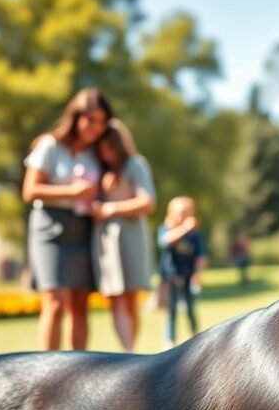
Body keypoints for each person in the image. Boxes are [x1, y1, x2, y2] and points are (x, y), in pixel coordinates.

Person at [22, 88, 112, 351]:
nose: (96, 128)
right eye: (91, 120)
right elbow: (29, 191)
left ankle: (78, 373)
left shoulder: (97, 154)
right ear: (76, 117)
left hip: (83, 228)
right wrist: (70, 192)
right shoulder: (50, 145)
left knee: (80, 304)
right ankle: (46, 373)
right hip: (49, 226)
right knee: (55, 301)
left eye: (102, 122)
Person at [91, 119, 156, 352]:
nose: (103, 152)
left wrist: (111, 208)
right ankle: (128, 351)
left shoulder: (135, 165)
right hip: (107, 240)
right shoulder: (100, 170)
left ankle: (131, 350)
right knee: (115, 297)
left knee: (130, 298)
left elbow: (147, 202)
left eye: (108, 146)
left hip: (131, 237)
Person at [158, 196, 207, 349]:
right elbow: (165, 241)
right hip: (171, 276)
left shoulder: (195, 235)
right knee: (171, 311)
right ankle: (169, 343)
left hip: (188, 276)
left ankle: (196, 338)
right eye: (178, 214)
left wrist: (197, 274)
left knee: (190, 309)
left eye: (185, 214)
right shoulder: (167, 229)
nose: (181, 218)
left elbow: (202, 256)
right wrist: (184, 229)